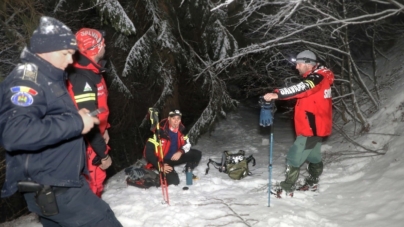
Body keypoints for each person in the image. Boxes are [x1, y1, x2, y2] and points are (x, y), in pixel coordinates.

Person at [0, 16, 122, 226]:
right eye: (66, 54)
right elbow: (14, 133)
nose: (70, 61)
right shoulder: (26, 80)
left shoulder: (49, 78)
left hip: (60, 183)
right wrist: (77, 123)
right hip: (55, 187)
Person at [263, 50, 334, 196]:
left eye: (299, 64)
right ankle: (312, 182)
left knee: (294, 157)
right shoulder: (319, 76)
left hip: (311, 127)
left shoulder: (317, 78)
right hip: (315, 126)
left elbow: (302, 88)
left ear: (308, 64)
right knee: (313, 156)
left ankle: (286, 187)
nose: (296, 67)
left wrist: (277, 94)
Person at [67, 28, 112, 197]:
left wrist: (105, 127)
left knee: (96, 186)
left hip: (94, 141)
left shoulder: (92, 71)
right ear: (94, 49)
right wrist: (103, 154)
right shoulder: (82, 78)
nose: (105, 45)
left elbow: (98, 107)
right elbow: (87, 122)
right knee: (91, 189)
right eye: (101, 43)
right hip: (86, 146)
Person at [144, 109, 202, 185]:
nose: (176, 121)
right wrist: (160, 166)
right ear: (168, 119)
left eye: (178, 119)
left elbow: (187, 144)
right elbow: (148, 152)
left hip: (176, 156)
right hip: (163, 161)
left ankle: (188, 171)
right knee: (174, 182)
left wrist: (180, 151)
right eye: (173, 118)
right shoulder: (159, 132)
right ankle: (160, 176)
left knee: (197, 154)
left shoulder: (182, 130)